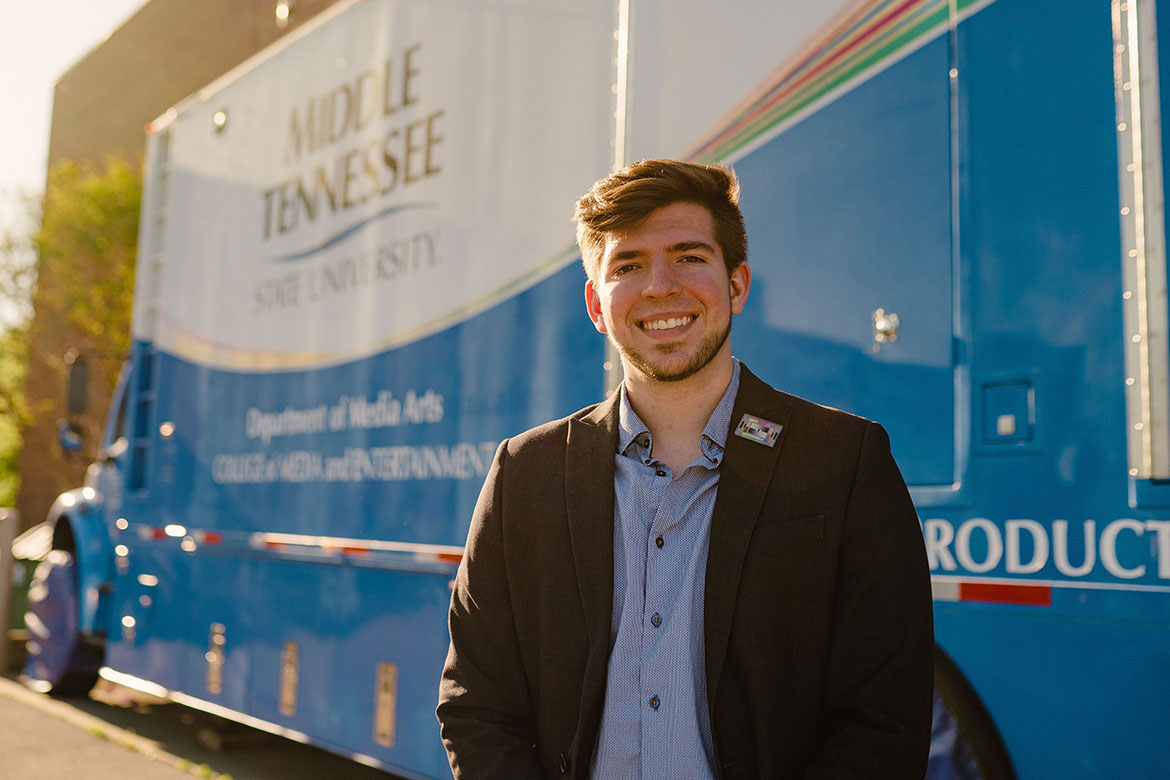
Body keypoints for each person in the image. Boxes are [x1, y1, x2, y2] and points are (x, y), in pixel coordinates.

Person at [437, 159, 933, 779]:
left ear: (737, 284)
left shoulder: (844, 460)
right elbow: (476, 704)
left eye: (690, 256)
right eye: (628, 265)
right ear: (596, 303)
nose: (660, 286)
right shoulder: (526, 473)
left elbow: (886, 719)